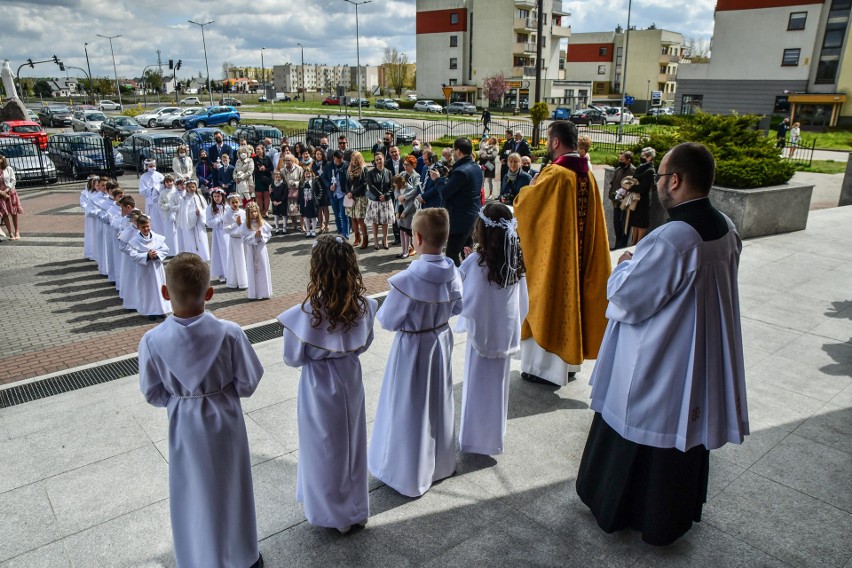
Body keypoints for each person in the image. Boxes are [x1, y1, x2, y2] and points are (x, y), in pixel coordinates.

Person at [576, 142, 749, 547]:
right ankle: (669, 515)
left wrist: (622, 269)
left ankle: (625, 509)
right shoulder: (726, 227)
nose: (657, 184)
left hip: (662, 358)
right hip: (698, 352)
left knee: (643, 425)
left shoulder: (673, 238)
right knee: (680, 437)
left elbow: (629, 300)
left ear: (675, 180)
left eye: (660, 177)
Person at [138, 252, 264, 568]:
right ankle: (240, 556)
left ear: (165, 293)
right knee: (231, 487)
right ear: (209, 293)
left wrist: (181, 400)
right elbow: (249, 382)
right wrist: (222, 394)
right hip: (226, 419)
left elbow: (152, 393)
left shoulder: (152, 341)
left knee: (192, 490)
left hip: (184, 424)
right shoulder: (230, 332)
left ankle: (198, 558)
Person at [278, 234, 377, 534]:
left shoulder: (304, 316)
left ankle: (331, 511)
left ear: (316, 270)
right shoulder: (366, 306)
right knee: (352, 444)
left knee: (324, 446)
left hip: (318, 387)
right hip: (351, 378)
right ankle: (355, 507)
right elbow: (364, 343)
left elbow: (292, 358)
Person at [369, 208, 463, 497]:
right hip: (439, 341)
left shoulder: (408, 280)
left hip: (412, 347)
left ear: (417, 238)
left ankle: (407, 472)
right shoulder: (453, 272)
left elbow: (387, 320)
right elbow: (458, 307)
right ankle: (440, 464)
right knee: (437, 400)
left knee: (409, 405)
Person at [514, 120, 611, 386]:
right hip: (579, 259)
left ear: (556, 141)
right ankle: (568, 367)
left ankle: (542, 370)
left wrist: (527, 188)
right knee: (574, 298)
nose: (547, 144)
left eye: (548, 139)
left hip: (557, 259)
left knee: (549, 300)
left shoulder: (555, 175)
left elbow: (526, 208)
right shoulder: (586, 174)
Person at [457, 202, 527, 455]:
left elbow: (465, 300)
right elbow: (523, 302)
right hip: (503, 334)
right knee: (498, 390)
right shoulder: (515, 262)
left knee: (477, 387)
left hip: (481, 337)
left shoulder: (476, 263)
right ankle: (494, 438)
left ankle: (474, 440)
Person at [441, 137, 483, 266]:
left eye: (454, 151)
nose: (453, 153)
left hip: (460, 219)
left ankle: (460, 280)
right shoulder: (476, 167)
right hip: (472, 215)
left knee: (452, 253)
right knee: (467, 251)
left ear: (458, 152)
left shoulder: (461, 171)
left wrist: (438, 180)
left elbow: (445, 193)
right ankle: (469, 276)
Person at [127, 214, 171, 319]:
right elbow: (133, 255)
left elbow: (165, 249)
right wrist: (147, 255)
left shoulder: (157, 238)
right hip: (144, 269)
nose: (146, 229)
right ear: (138, 227)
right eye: (143, 227)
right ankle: (151, 311)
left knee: (160, 287)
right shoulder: (134, 241)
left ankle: (161, 310)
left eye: (147, 226)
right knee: (148, 289)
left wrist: (156, 254)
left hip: (156, 267)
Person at [240, 202, 272, 300]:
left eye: (255, 212)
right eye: (251, 212)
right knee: (253, 270)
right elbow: (244, 239)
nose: (254, 214)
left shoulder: (262, 222)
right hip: (251, 251)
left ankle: (265, 292)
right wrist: (254, 236)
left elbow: (269, 234)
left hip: (261, 249)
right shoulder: (245, 225)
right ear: (248, 214)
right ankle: (255, 293)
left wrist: (261, 236)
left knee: (262, 268)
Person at [365, 152, 394, 250]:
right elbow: (371, 186)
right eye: (376, 159)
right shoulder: (370, 173)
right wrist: (379, 195)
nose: (378, 161)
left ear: (384, 159)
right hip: (375, 201)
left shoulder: (389, 172)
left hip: (386, 200)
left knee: (385, 221)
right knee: (375, 221)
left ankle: (385, 240)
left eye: (380, 159)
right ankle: (376, 240)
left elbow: (391, 186)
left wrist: (385, 195)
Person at [176, 180, 210, 261]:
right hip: (189, 223)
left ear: (195, 187)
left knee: (201, 237)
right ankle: (192, 256)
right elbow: (184, 212)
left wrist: (200, 212)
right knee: (191, 239)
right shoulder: (184, 199)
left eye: (193, 187)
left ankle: (203, 255)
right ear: (186, 188)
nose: (191, 188)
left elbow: (206, 209)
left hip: (199, 222)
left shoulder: (200, 197)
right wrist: (193, 214)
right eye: (189, 187)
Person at [630, 147, 657, 245]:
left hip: (643, 201)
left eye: (643, 156)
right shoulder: (640, 167)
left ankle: (638, 244)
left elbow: (643, 188)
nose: (641, 157)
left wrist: (631, 188)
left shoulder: (650, 170)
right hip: (636, 200)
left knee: (641, 223)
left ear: (650, 158)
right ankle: (633, 242)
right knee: (635, 223)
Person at [609, 151, 635, 250]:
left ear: (628, 160)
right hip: (616, 203)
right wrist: (611, 196)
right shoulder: (618, 170)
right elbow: (612, 183)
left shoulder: (632, 171)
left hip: (625, 204)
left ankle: (621, 246)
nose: (620, 161)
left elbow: (633, 186)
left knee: (624, 226)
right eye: (619, 159)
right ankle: (617, 244)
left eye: (622, 160)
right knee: (617, 225)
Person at [321, 150, 350, 238]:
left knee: (344, 214)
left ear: (343, 158)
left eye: (340, 161)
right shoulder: (328, 166)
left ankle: (346, 234)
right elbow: (324, 177)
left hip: (343, 194)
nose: (338, 163)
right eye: (336, 161)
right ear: (333, 158)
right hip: (333, 195)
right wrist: (329, 185)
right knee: (337, 215)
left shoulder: (346, 165)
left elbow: (349, 179)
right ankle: (340, 232)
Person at [224, 194, 249, 290]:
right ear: (229, 203)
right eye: (232, 202)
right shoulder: (227, 214)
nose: (235, 204)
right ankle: (236, 281)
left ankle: (246, 280)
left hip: (243, 239)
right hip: (234, 240)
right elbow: (226, 228)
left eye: (236, 202)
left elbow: (247, 224)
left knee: (245, 259)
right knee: (237, 261)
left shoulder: (243, 212)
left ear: (240, 202)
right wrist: (236, 224)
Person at [347, 152, 370, 249]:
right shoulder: (349, 169)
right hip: (350, 196)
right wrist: (348, 192)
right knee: (353, 218)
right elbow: (346, 182)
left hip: (360, 196)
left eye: (356, 159)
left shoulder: (364, 169)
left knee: (360, 218)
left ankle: (365, 239)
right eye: (353, 160)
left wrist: (353, 192)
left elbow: (364, 184)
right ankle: (357, 237)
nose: (354, 161)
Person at [206, 188, 228, 282]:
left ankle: (230, 272)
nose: (216, 198)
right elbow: (208, 222)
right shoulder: (210, 207)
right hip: (218, 233)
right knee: (220, 253)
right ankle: (222, 273)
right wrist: (219, 219)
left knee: (228, 252)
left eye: (218, 196)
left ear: (222, 196)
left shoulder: (227, 206)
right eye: (214, 196)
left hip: (228, 232)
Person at [138, 159, 165, 235]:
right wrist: (151, 190)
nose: (153, 167)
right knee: (154, 220)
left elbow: (164, 185)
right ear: (146, 167)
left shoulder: (159, 175)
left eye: (154, 166)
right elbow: (142, 191)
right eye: (150, 166)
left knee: (162, 219)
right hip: (151, 202)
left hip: (160, 200)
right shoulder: (143, 177)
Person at [0, 154, 22, 240]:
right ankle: (10, 233)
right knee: (5, 214)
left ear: (1, 160)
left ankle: (17, 231)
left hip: (11, 194)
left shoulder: (8, 169)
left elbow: (13, 180)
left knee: (14, 213)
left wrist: (6, 191)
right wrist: (1, 193)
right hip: (1, 196)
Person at [281, 154, 303, 234]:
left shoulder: (299, 169)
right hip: (288, 191)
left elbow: (302, 180)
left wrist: (295, 183)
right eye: (286, 160)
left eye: (289, 160)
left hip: (297, 190)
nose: (287, 162)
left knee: (299, 209)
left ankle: (302, 225)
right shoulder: (282, 170)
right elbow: (281, 181)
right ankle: (294, 225)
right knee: (291, 209)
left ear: (293, 161)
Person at [298, 167, 322, 238]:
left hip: (313, 202)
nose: (308, 175)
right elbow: (299, 193)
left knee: (313, 217)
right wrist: (297, 203)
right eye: (306, 173)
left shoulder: (315, 181)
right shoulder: (301, 182)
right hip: (304, 202)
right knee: (306, 217)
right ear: (304, 174)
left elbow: (320, 190)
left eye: (309, 173)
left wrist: (317, 199)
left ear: (312, 173)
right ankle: (308, 231)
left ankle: (313, 231)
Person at [313, 147, 331, 233]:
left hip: (324, 187)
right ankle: (321, 225)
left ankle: (327, 225)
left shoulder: (326, 164)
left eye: (320, 154)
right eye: (317, 154)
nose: (318, 156)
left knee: (325, 207)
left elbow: (328, 175)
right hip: (316, 187)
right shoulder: (313, 164)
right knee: (319, 207)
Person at [253, 144, 274, 218]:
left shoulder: (267, 158)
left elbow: (271, 168)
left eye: (259, 149)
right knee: (259, 195)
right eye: (256, 149)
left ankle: (266, 211)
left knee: (266, 195)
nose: (257, 150)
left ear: (262, 150)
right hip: (258, 179)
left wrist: (265, 169)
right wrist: (258, 169)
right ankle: (261, 211)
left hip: (267, 178)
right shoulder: (254, 159)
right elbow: (253, 169)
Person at [270, 170, 288, 235]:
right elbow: (271, 193)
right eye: (276, 177)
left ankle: (284, 228)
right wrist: (273, 201)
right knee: (276, 215)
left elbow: (285, 194)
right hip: (275, 202)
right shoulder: (272, 184)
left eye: (279, 177)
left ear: (281, 177)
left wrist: (281, 201)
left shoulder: (284, 184)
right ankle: (277, 228)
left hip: (282, 202)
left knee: (284, 215)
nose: (277, 178)